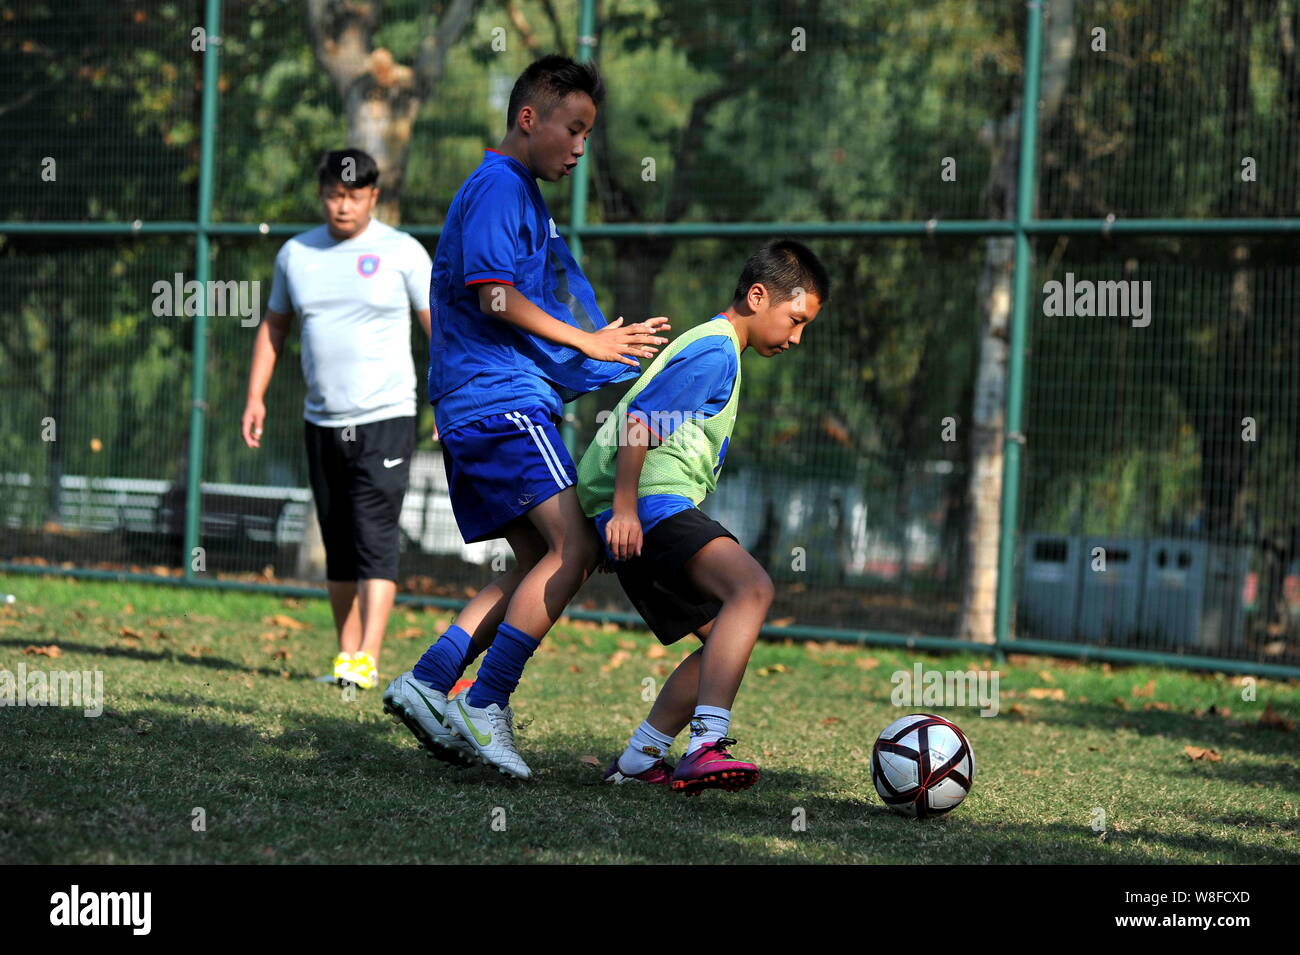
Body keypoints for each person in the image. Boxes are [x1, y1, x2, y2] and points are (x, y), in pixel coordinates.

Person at [382, 55, 670, 779]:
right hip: (499, 401)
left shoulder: (517, 196)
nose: (579, 147)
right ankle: (486, 701)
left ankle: (427, 679)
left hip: (485, 402)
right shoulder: (499, 188)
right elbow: (495, 296)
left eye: (589, 135)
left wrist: (604, 355)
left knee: (544, 559)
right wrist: (589, 341)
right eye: (573, 129)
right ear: (530, 117)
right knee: (577, 549)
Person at [577, 240, 830, 795]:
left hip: (636, 509)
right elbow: (639, 423)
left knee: (721, 639)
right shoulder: (716, 348)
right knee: (754, 589)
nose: (795, 338)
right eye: (795, 320)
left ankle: (643, 757)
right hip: (651, 505)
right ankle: (706, 745)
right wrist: (621, 511)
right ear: (758, 296)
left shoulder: (717, 349)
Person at [242, 148, 431, 691]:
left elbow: (436, 330)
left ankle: (368, 656)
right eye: (332, 195)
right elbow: (274, 328)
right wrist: (255, 396)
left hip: (387, 416)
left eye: (352, 196)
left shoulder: (404, 253)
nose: (341, 206)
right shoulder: (296, 254)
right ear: (321, 194)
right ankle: (347, 654)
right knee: (338, 539)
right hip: (321, 420)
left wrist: (448, 399)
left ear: (374, 195)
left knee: (375, 533)